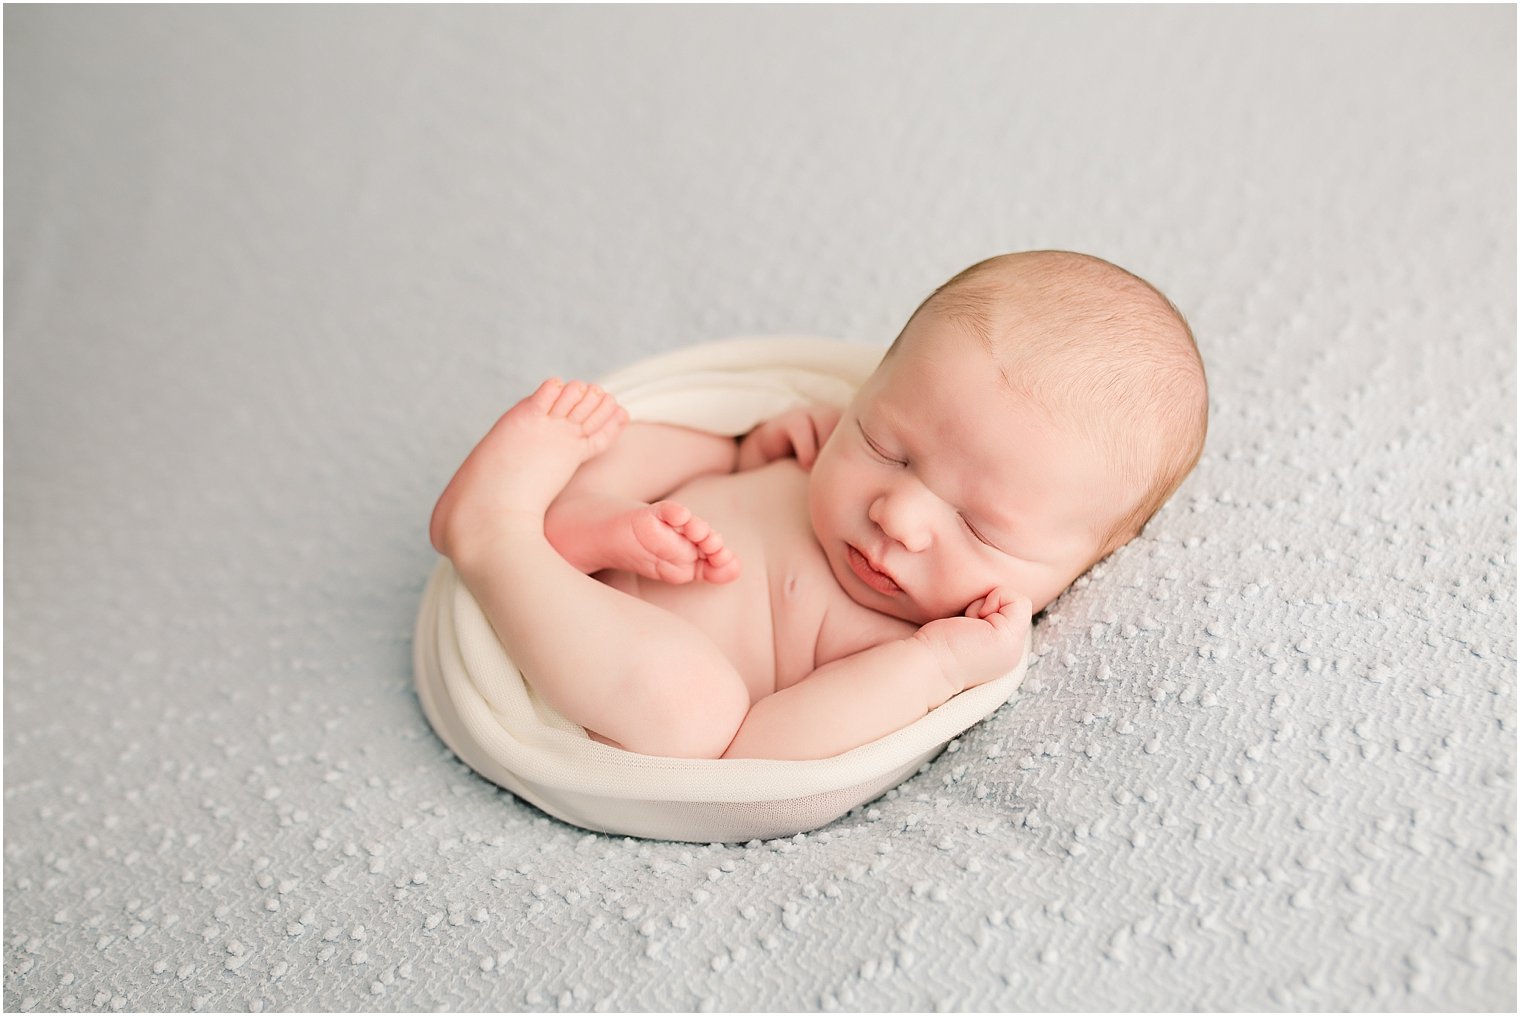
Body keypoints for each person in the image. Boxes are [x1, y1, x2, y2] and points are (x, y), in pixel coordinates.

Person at [428, 251, 1208, 760]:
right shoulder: (814, 455)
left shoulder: (909, 645)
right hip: (617, 541)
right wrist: (753, 445)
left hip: (596, 679)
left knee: (695, 717)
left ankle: (498, 536)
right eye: (887, 448)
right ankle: (583, 512)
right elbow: (734, 428)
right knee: (688, 440)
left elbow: (763, 757)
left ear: (1083, 563)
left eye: (978, 525)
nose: (898, 516)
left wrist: (932, 665)